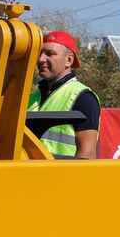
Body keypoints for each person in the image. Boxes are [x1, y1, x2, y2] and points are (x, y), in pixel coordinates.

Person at [26, 31, 100, 159]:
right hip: (30, 176)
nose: (41, 59)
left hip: (61, 177)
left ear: (69, 60)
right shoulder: (33, 97)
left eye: (49, 54)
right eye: (40, 53)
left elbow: (87, 155)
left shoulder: (83, 97)